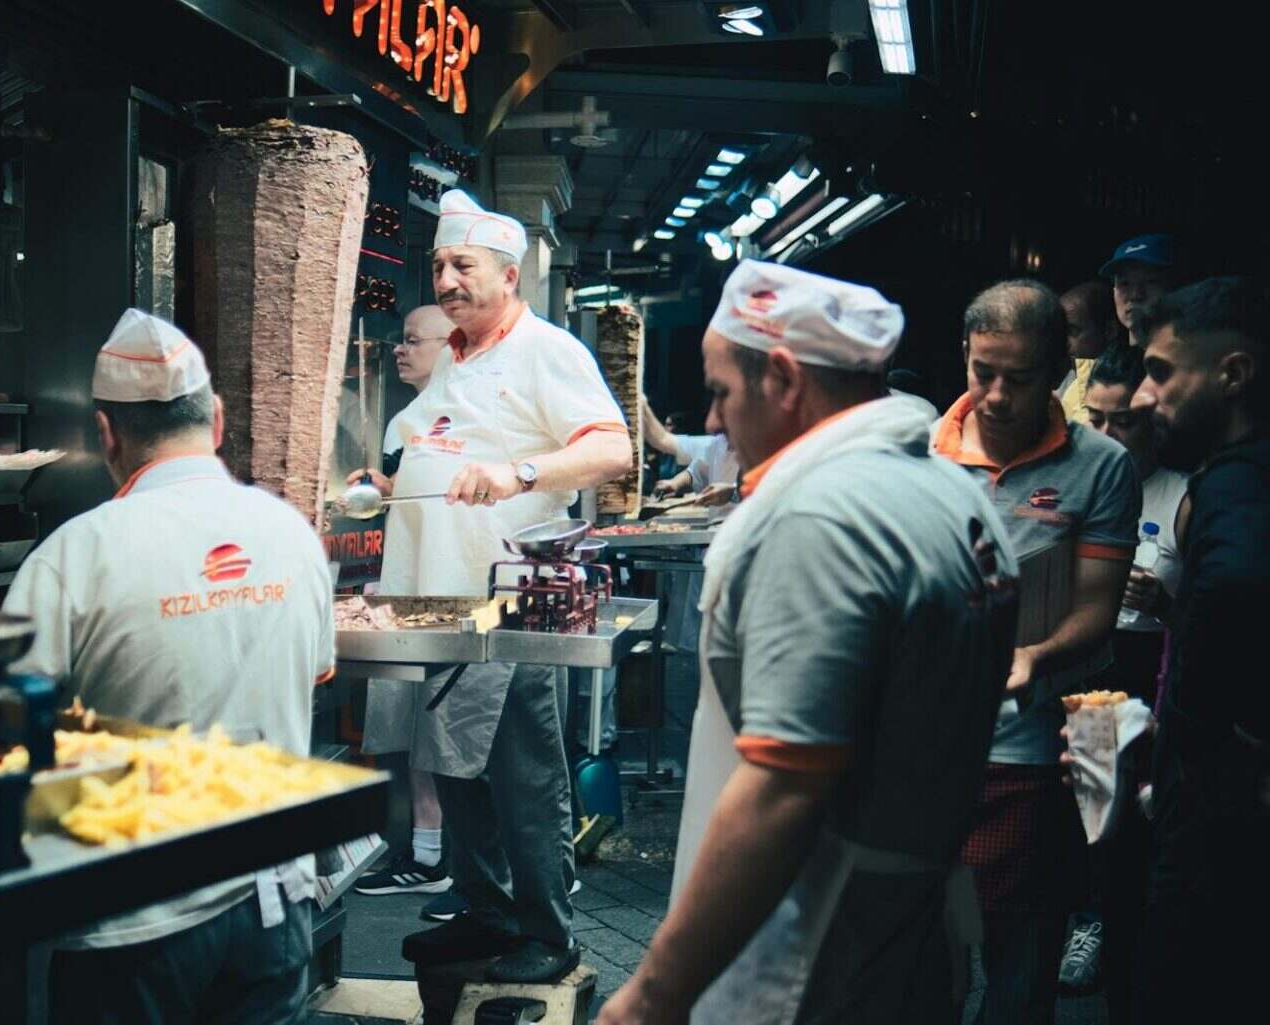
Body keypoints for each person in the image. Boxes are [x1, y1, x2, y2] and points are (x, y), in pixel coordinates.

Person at [599, 261, 1020, 1025]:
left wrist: (651, 995)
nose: (717, 423)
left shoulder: (822, 520)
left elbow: (782, 789)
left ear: (784, 379)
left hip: (814, 948)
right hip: (912, 922)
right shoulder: (955, 492)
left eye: (722, 392)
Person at [3, 309, 336, 1025]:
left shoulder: (73, 554)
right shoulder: (290, 532)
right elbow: (311, 675)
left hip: (133, 921)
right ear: (215, 419)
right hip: (272, 903)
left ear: (106, 433)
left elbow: (0, 727)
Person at [351, 190, 633, 983]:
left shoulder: (546, 349)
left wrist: (521, 471)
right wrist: (382, 480)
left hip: (510, 597)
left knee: (523, 770)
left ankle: (549, 929)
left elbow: (611, 448)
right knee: (451, 758)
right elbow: (435, 451)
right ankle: (484, 911)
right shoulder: (456, 356)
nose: (445, 278)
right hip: (432, 596)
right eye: (438, 264)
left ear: (508, 276)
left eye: (461, 264)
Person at [932, 281, 1141, 1025]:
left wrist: (1034, 656)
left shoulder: (1103, 467)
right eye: (981, 370)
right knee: (926, 957)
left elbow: (1098, 611)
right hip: (927, 747)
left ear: (1056, 372)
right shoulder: (922, 454)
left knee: (1021, 955)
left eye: (1017, 378)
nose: (994, 394)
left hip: (1038, 746)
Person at [1128, 277, 1270, 1024]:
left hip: (1220, 818)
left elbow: (1240, 580)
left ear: (1234, 374)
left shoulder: (1238, 483)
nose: (1144, 396)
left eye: (1160, 371)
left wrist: (1195, 724)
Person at [1055, 341, 1188, 1011]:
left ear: (1151, 416)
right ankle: (1089, 919)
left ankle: (1124, 932)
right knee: (1088, 810)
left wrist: (1166, 603)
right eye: (1096, 420)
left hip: (1154, 667)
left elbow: (1215, 606)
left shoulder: (1184, 494)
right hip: (1089, 661)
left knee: (1141, 818)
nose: (1106, 435)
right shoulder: (1075, 483)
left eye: (1122, 420)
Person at [357, 304, 461, 918]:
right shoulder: (403, 421)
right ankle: (426, 856)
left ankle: (471, 864)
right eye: (399, 339)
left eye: (412, 340)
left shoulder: (477, 409)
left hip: (458, 587)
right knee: (414, 723)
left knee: (456, 732)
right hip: (406, 580)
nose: (400, 349)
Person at [1058, 281, 1124, 421]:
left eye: (1072, 331)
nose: (1063, 342)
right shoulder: (1065, 383)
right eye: (1060, 332)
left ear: (1110, 331)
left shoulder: (1128, 388)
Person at [1100, 234, 1181, 347]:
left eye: (1150, 281)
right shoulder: (1107, 362)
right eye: (1124, 283)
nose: (1136, 295)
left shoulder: (1195, 361)